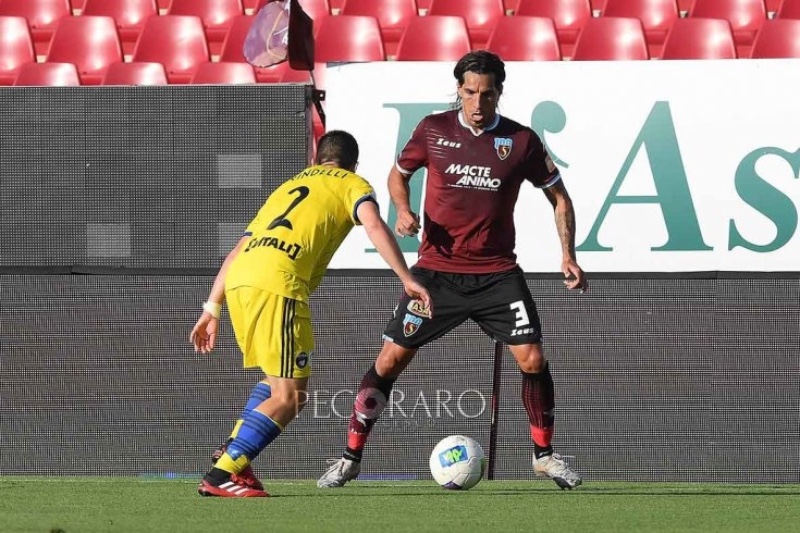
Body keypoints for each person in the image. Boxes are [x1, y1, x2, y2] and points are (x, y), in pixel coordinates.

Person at [317, 50, 588, 491]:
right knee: (389, 360)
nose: (477, 102)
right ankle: (350, 458)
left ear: (499, 92)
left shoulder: (521, 142)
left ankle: (544, 456)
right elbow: (397, 174)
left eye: (486, 93)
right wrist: (402, 209)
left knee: (533, 358)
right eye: (468, 92)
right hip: (436, 273)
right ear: (458, 90)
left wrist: (568, 255)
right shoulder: (433, 129)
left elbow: (560, 197)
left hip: (497, 273)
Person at [190, 130, 432, 497]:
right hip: (278, 284)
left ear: (317, 160)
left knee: (276, 384)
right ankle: (223, 471)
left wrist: (211, 307)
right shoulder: (352, 183)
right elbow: (372, 222)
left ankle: (235, 455)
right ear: (353, 164)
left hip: (240, 281)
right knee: (291, 397)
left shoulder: (289, 186)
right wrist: (406, 277)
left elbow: (240, 246)